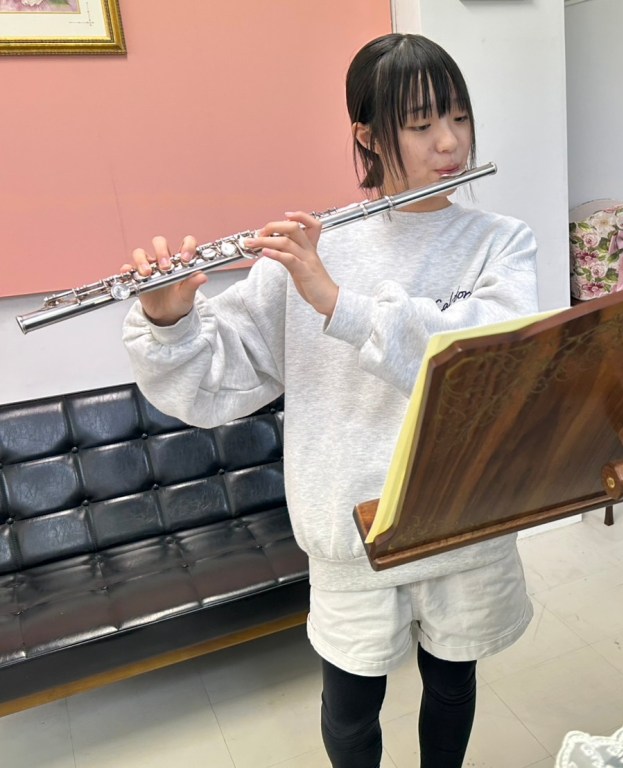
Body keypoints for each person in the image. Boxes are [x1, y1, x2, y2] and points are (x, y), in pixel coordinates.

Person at [121, 33, 538, 768]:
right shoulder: (314, 248)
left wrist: (340, 305)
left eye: (459, 116)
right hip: (353, 529)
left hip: (463, 515)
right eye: (421, 124)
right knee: (349, 710)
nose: (449, 142)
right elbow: (218, 381)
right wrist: (169, 319)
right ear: (368, 137)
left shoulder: (501, 243)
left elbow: (487, 365)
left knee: (452, 684)